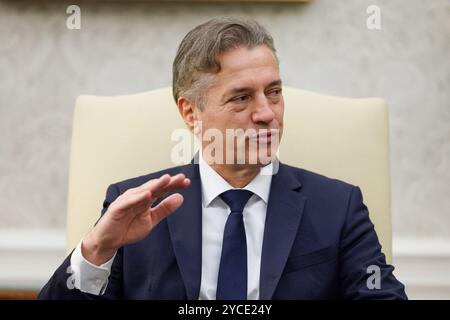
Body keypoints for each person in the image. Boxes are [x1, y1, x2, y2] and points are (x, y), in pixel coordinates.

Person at [38, 17, 407, 300]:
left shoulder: (337, 207)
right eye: (242, 97)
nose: (267, 113)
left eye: (274, 92)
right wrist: (96, 251)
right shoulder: (137, 206)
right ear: (190, 112)